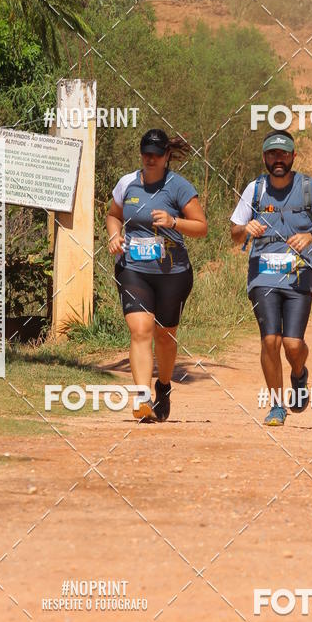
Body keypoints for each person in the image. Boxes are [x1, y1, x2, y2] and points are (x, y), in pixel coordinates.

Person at [230, 130, 312, 426]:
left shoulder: (308, 187)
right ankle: (277, 405)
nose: (278, 159)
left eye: (283, 154)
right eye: (272, 154)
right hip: (262, 275)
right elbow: (234, 232)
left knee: (292, 344)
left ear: (293, 156)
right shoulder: (255, 189)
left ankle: (299, 375)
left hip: (299, 275)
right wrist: (245, 229)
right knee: (270, 340)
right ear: (264, 157)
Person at [106, 129, 207, 422]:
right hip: (133, 269)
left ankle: (163, 386)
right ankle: (141, 396)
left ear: (167, 156)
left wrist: (174, 222)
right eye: (146, 153)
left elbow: (201, 227)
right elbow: (113, 215)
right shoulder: (127, 183)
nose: (150, 159)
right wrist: (114, 235)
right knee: (140, 330)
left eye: (156, 154)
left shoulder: (179, 187)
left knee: (165, 336)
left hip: (172, 273)